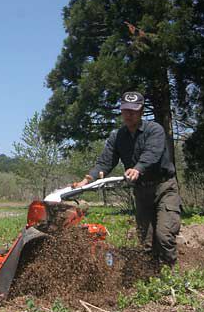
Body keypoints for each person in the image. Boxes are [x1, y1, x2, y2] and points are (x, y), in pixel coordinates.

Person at [74, 91, 181, 265]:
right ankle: (150, 275)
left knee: (164, 236)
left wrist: (138, 168)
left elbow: (152, 154)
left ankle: (170, 275)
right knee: (145, 240)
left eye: (133, 111)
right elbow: (105, 162)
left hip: (164, 188)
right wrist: (87, 180)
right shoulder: (117, 136)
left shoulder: (154, 130)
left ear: (141, 111)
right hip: (141, 191)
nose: (129, 115)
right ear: (121, 111)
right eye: (125, 110)